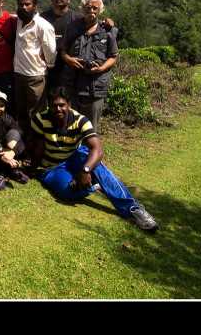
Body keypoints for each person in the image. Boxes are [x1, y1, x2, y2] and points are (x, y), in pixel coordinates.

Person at [27, 88, 158, 231]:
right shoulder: (40, 119)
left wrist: (85, 170)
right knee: (66, 192)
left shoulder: (81, 120)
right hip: (52, 166)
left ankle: (133, 209)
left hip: (74, 157)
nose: (58, 109)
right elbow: (38, 148)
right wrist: (32, 169)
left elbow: (97, 149)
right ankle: (96, 185)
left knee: (95, 163)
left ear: (69, 104)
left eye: (61, 105)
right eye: (54, 105)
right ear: (48, 105)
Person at [60, 0, 119, 134]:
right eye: (88, 8)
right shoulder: (72, 27)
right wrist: (69, 59)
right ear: (82, 9)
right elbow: (62, 50)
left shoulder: (107, 30)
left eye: (95, 8)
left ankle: (89, 149)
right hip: (72, 87)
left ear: (100, 10)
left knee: (90, 130)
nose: (91, 11)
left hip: (95, 88)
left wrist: (101, 68)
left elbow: (113, 56)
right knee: (71, 127)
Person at [42, 0, 115, 93]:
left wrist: (108, 21)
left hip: (69, 72)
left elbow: (94, 22)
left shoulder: (77, 18)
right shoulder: (42, 18)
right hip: (45, 69)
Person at [13, 0, 57, 136]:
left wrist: (48, 64)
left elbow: (50, 50)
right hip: (19, 74)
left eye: (27, 4)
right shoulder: (18, 21)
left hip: (36, 76)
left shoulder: (43, 26)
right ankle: (23, 141)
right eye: (21, 4)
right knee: (21, 111)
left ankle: (38, 142)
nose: (24, 7)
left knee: (37, 112)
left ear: (35, 6)